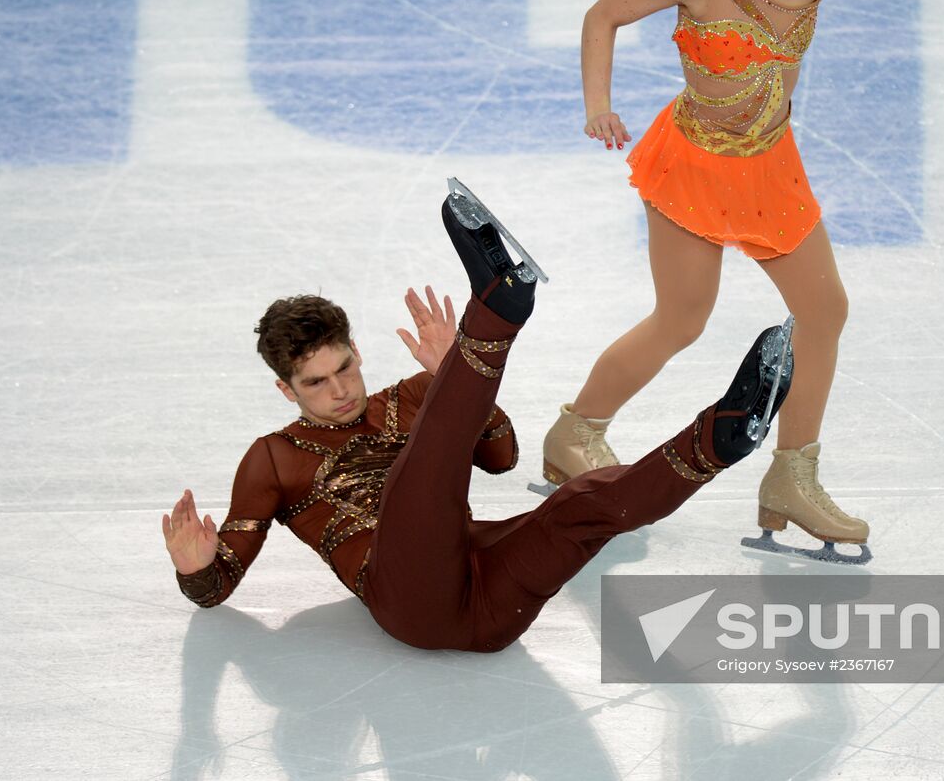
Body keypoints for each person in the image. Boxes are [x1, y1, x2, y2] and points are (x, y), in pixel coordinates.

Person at [542, 0, 944, 561]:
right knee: (683, 319)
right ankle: (575, 432)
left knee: (825, 313)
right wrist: (598, 105)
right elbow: (602, 14)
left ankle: (792, 475)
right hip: (693, 165)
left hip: (769, 168)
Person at [163, 185, 793, 652]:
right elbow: (218, 585)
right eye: (316, 383)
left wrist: (449, 384)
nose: (341, 391)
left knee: (583, 504)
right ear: (285, 388)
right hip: (407, 599)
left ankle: (726, 434)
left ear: (357, 352)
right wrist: (194, 568)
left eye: (346, 367)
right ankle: (499, 303)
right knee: (421, 472)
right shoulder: (273, 456)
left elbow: (501, 457)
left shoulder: (407, 398)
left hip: (490, 609)